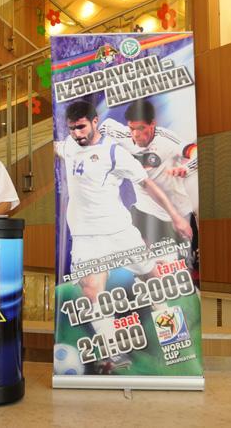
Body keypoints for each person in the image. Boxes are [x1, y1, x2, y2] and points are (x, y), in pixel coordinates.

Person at [55, 100, 191, 372]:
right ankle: (112, 352)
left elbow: (147, 184)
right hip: (85, 236)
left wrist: (176, 217)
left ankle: (173, 336)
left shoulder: (114, 152)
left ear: (94, 121)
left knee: (151, 278)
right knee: (91, 289)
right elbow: (57, 147)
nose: (77, 134)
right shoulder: (69, 145)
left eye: (81, 127)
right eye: (72, 129)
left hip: (119, 232)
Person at [99, 99, 198, 255]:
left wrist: (186, 168)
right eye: (132, 128)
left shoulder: (166, 139)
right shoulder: (122, 134)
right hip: (144, 212)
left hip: (179, 214)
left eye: (141, 128)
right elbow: (102, 127)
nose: (136, 134)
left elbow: (196, 152)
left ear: (153, 124)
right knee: (145, 263)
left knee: (191, 264)